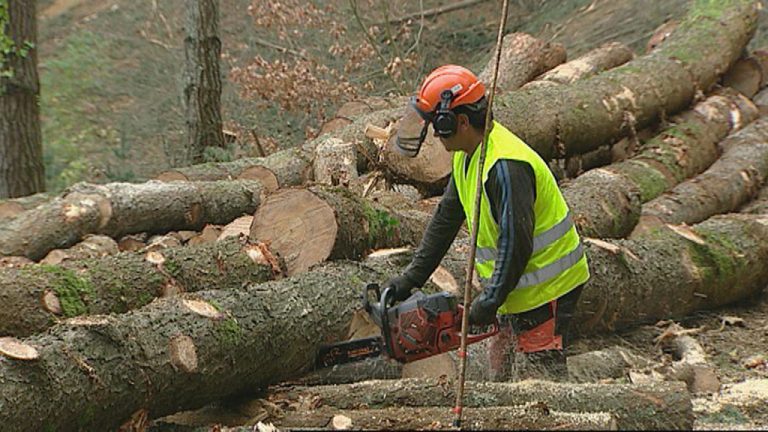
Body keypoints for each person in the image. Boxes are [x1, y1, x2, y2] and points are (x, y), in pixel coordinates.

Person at [387, 64, 590, 381]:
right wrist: (411, 278)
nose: (436, 136)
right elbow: (446, 219)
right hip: (515, 288)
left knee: (542, 381)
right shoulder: (468, 154)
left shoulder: (505, 166)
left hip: (547, 287)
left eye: (438, 127)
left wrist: (491, 298)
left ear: (461, 121)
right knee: (501, 374)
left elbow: (516, 243)